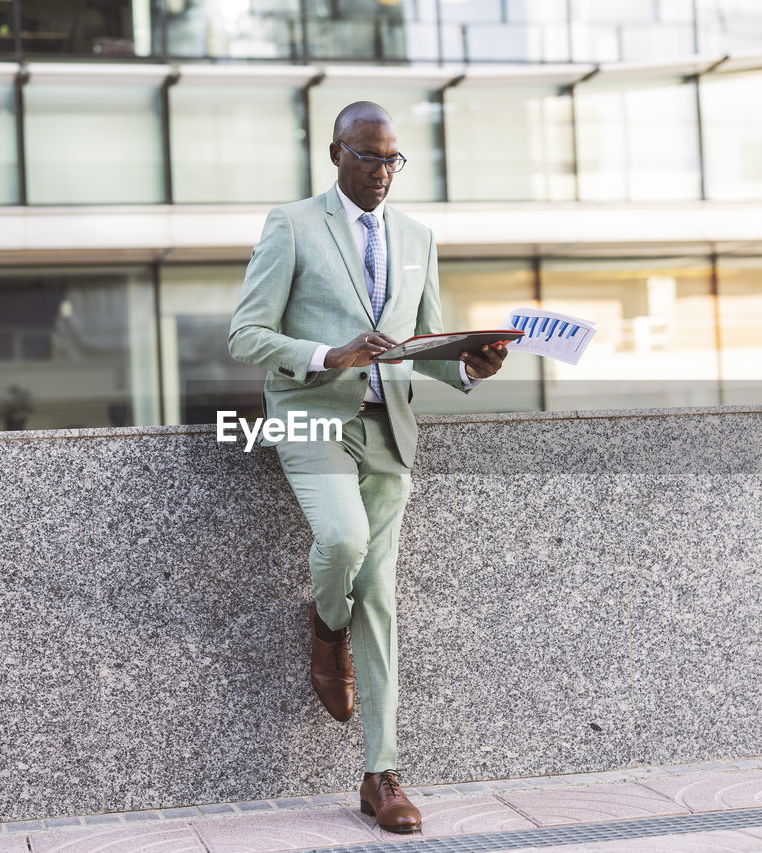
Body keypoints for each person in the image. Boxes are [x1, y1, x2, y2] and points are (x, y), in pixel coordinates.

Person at [228, 101, 507, 833]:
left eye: (392, 161)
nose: (382, 173)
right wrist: (329, 355)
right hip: (312, 413)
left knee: (380, 591)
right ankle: (326, 626)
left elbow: (428, 346)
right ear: (335, 153)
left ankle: (381, 774)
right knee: (345, 542)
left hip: (391, 429)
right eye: (368, 157)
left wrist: (472, 366)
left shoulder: (417, 236)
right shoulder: (291, 225)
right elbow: (246, 333)